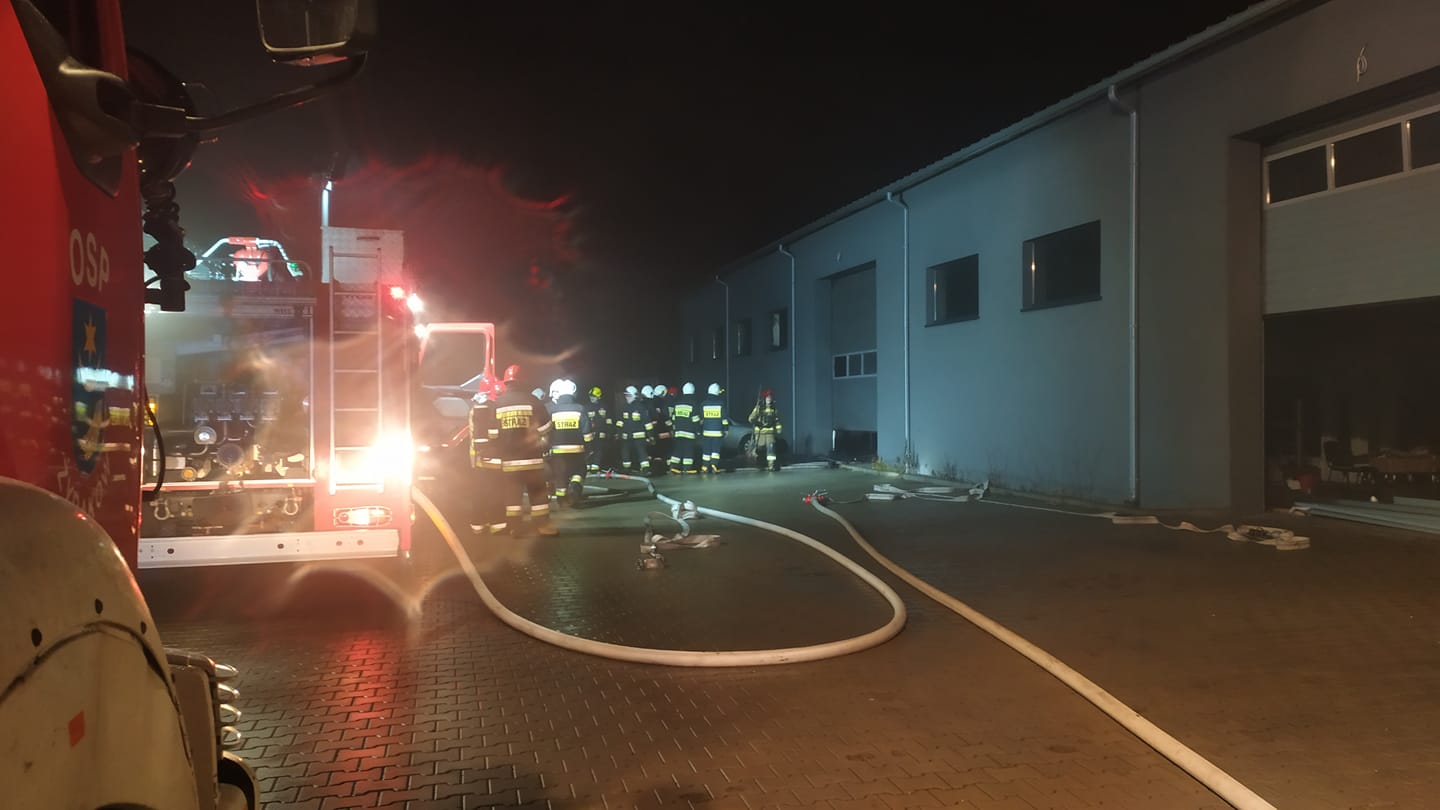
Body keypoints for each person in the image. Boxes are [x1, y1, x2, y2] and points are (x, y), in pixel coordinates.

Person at [493, 373, 557, 535]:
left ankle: (515, 527)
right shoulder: (533, 401)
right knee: (537, 493)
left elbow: (493, 434)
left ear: (506, 383)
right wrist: (543, 444)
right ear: (523, 382)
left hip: (509, 461)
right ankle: (542, 526)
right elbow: (546, 428)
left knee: (512, 495)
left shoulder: (497, 404)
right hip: (532, 459)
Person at [546, 378, 591, 507]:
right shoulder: (580, 409)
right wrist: (589, 446)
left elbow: (547, 430)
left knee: (560, 474)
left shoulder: (552, 410)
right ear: (573, 393)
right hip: (577, 450)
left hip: (557, 450)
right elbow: (587, 433)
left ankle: (561, 499)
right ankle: (575, 488)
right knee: (579, 469)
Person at [467, 387, 505, 534]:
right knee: (496, 491)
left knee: (480, 491)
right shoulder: (493, 409)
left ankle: (478, 523)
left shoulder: (476, 409)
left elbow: (474, 435)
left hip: (479, 458)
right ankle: (497, 523)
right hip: (494, 456)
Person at [614, 385, 653, 475]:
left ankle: (645, 468)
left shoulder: (640, 407)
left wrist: (651, 435)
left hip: (639, 436)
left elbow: (647, 422)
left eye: (628, 395)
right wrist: (619, 433)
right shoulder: (624, 407)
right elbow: (620, 421)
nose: (626, 397)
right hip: (626, 436)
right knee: (625, 452)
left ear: (634, 395)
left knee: (641, 452)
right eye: (625, 395)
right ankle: (626, 468)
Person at [668, 382, 701, 474]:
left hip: (678, 432)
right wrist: (698, 431)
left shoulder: (677, 403)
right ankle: (687, 468)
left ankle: (673, 466)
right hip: (689, 432)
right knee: (688, 450)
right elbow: (695, 420)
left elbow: (673, 418)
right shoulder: (693, 404)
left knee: (678, 449)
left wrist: (674, 429)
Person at [699, 382, 730, 474]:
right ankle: (714, 465)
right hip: (717, 433)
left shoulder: (703, 404)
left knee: (706, 450)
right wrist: (726, 429)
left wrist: (699, 430)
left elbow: (701, 420)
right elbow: (724, 419)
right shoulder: (720, 404)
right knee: (715, 450)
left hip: (706, 432)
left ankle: (705, 466)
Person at [749, 388, 782, 471]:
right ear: (764, 398)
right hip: (760, 432)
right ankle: (759, 462)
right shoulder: (759, 408)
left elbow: (777, 420)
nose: (769, 399)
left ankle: (771, 465)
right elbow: (751, 418)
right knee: (759, 448)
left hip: (770, 432)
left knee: (771, 448)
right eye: (767, 397)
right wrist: (754, 419)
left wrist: (778, 428)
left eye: (770, 397)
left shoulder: (773, 409)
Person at [585, 385, 609, 473]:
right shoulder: (587, 407)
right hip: (590, 433)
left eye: (594, 396)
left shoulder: (604, 407)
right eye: (591, 396)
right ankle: (588, 467)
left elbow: (608, 420)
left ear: (598, 396)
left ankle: (595, 468)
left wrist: (609, 431)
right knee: (589, 450)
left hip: (601, 433)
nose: (592, 398)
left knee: (599, 450)